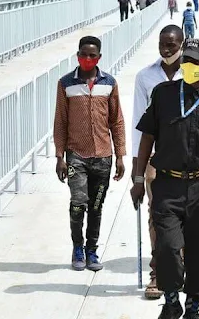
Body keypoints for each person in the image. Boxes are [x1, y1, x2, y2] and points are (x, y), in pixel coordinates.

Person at [130, 38, 199, 319]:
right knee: (167, 246)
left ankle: (193, 307)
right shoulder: (164, 94)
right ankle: (170, 299)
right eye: (187, 60)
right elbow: (147, 138)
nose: (190, 65)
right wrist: (139, 178)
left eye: (197, 62)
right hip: (167, 184)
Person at [53, 36, 126, 272]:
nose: (87, 59)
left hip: (103, 156)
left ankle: (92, 250)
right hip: (77, 156)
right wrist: (59, 157)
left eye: (92, 55)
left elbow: (117, 121)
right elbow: (60, 122)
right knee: (78, 203)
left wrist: (121, 155)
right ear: (77, 55)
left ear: (99, 58)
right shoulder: (66, 84)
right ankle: (77, 247)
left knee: (96, 205)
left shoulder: (109, 83)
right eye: (83, 54)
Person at [131, 25, 184, 300]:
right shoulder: (145, 77)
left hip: (186, 154)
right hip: (155, 155)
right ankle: (158, 272)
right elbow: (139, 123)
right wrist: (137, 169)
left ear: (182, 44)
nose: (166, 48)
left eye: (172, 44)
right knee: (157, 214)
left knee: (185, 214)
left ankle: (179, 264)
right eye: (163, 43)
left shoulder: (193, 72)